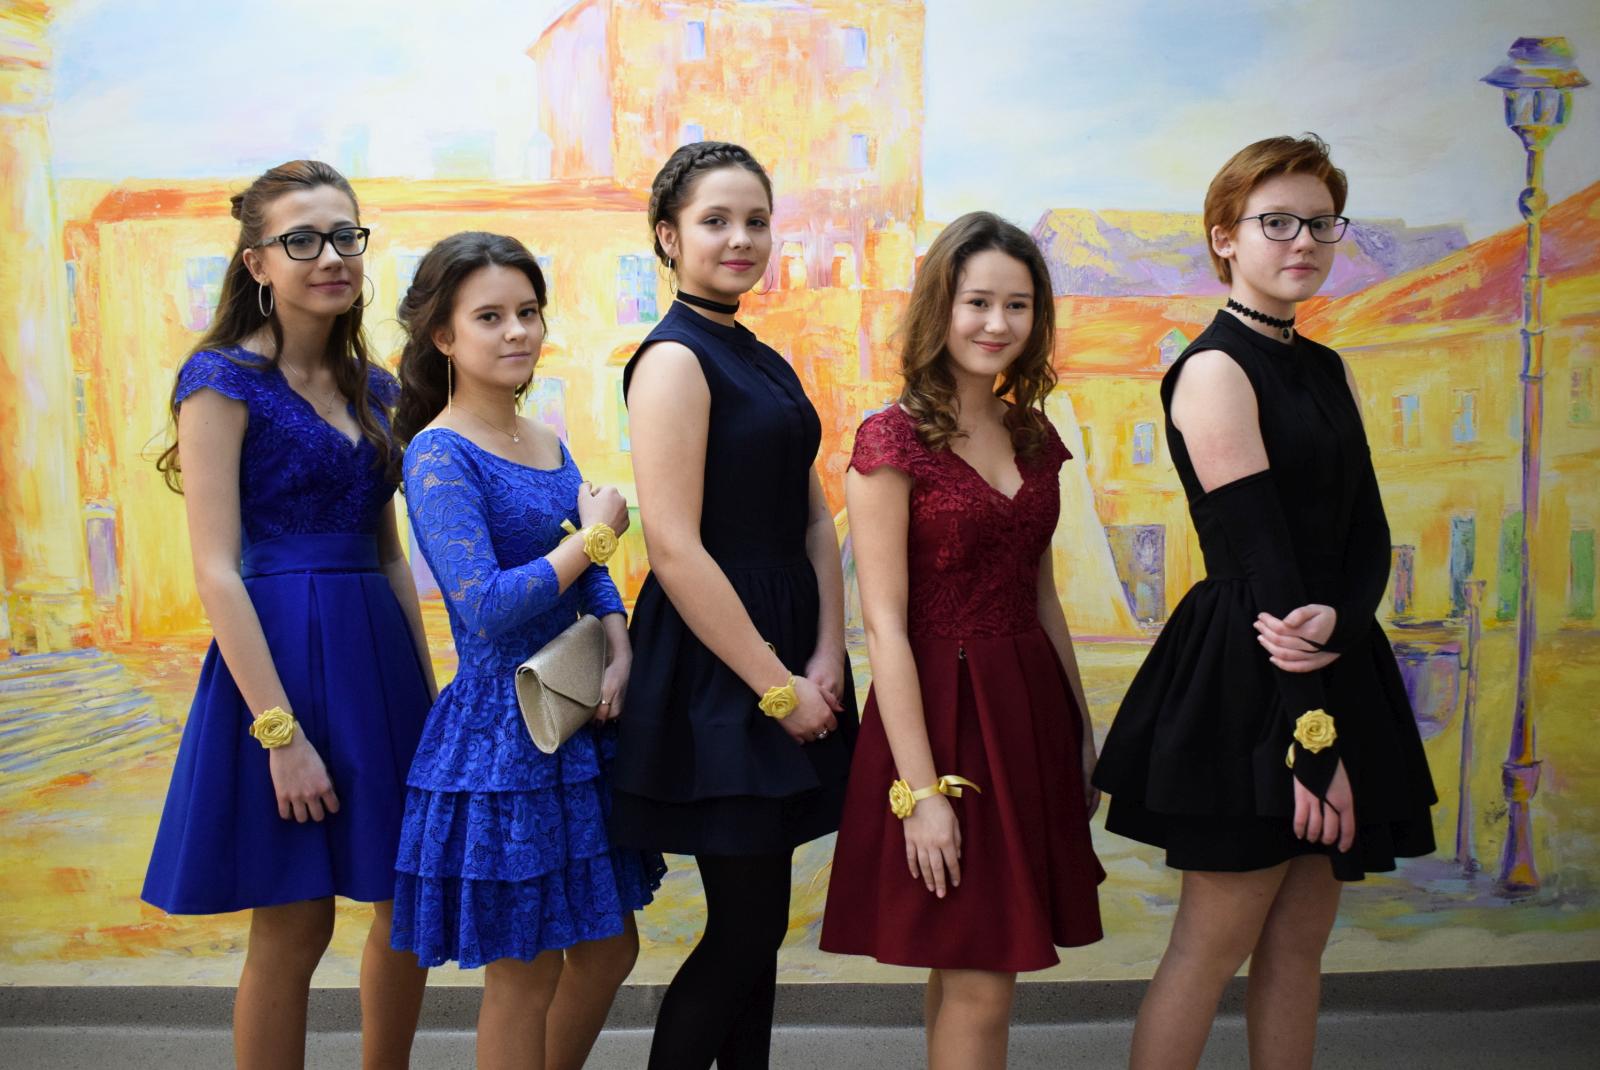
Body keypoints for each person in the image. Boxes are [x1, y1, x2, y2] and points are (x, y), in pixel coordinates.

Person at [1091, 135, 1438, 1069]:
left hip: (1332, 655)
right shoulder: (1212, 369)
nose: (1303, 242)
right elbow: (1268, 566)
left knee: (1298, 947)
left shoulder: (1327, 367)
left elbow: (1369, 531)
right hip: (1250, 677)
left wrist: (1348, 621)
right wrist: (1314, 749)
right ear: (1224, 238)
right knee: (1211, 949)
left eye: (1321, 224)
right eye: (1276, 222)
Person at [142, 160, 433, 1070]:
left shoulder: (376, 389)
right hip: (277, 666)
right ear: (257, 262)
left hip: (377, 660)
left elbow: (390, 554)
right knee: (294, 921)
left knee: (406, 906)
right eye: (302, 240)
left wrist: (428, 699)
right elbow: (216, 570)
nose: (331, 256)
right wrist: (280, 733)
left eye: (345, 235)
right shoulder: (220, 380)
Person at [819, 211, 1105, 1068]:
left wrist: (1080, 729)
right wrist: (921, 794)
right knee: (982, 975)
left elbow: (1042, 596)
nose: (996, 323)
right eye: (977, 301)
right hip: (940, 719)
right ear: (940, 307)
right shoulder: (890, 439)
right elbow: (885, 626)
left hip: (1030, 712)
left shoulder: (1034, 436)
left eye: (1017, 305)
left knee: (967, 962)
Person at [389, 231, 664, 1070]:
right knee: (525, 971)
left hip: (578, 723)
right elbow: (485, 606)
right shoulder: (436, 453)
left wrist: (619, 642)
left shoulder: (545, 438)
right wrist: (595, 538)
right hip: (502, 737)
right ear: (444, 336)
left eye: (528, 312)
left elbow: (592, 573)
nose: (517, 331)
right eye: (490, 317)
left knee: (609, 950)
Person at [610, 141, 857, 1070]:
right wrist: (776, 686)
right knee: (746, 926)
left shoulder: (761, 355)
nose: (741, 238)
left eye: (756, 220)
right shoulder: (673, 359)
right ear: (668, 237)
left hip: (792, 642)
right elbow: (674, 547)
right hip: (722, 663)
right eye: (715, 220)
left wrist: (829, 652)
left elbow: (814, 516)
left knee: (760, 926)